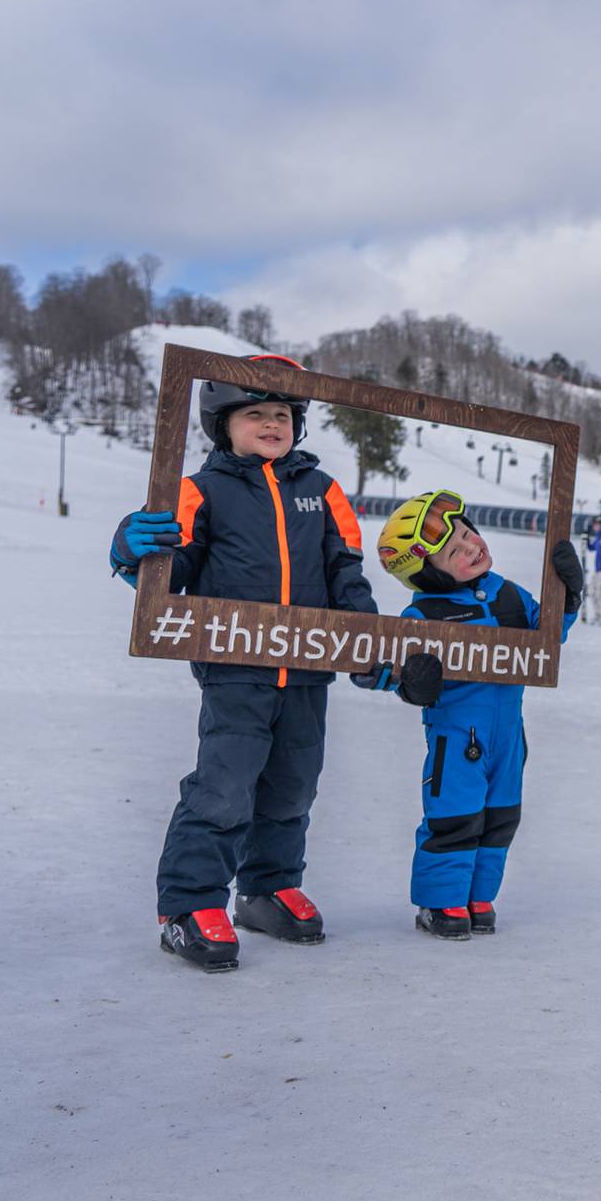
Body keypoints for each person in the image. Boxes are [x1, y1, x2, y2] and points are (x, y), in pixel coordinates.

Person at [108, 354, 376, 973]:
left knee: (293, 783)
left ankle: (266, 888)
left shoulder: (323, 491)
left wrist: (365, 643)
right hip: (235, 667)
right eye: (255, 413)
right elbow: (171, 572)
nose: (272, 423)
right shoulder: (202, 491)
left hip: (308, 668)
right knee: (225, 786)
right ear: (222, 424)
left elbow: (346, 575)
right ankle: (189, 905)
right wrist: (131, 553)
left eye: (282, 413)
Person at [366, 490, 583, 938]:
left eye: (467, 533)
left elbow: (546, 636)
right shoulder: (423, 614)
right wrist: (411, 683)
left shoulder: (507, 594)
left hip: (509, 735)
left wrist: (567, 598)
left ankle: (479, 896)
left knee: (502, 816)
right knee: (454, 817)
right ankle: (442, 901)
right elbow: (395, 671)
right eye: (454, 552)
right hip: (456, 739)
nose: (471, 546)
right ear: (430, 574)